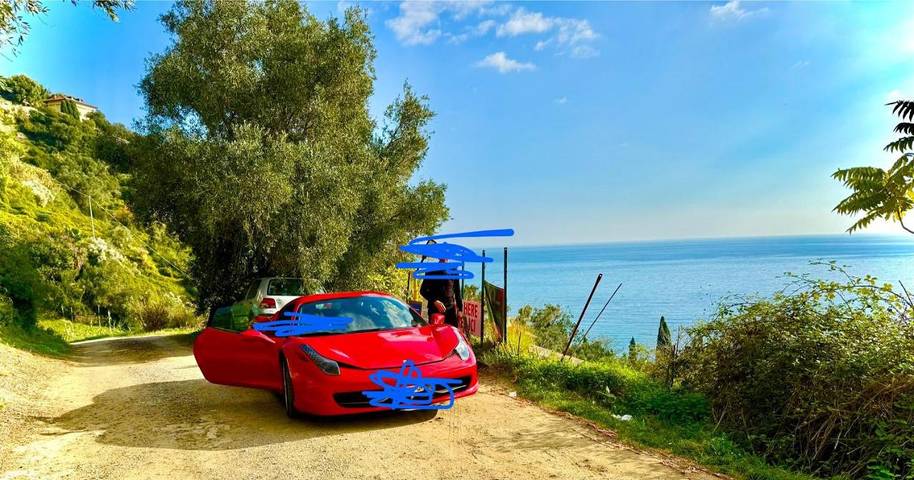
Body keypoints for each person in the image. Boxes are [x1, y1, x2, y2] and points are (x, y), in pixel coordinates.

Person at [419, 259, 463, 328]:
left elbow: (457, 291)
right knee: (436, 336)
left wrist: (460, 310)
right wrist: (434, 301)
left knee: (452, 336)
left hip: (450, 312)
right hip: (435, 311)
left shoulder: (454, 270)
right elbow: (423, 290)